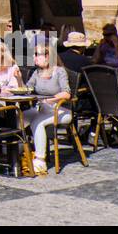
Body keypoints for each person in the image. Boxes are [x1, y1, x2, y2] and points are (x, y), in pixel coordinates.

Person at [24, 43, 72, 175]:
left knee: (37, 123)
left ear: (47, 56)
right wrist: (17, 78)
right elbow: (27, 88)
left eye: (37, 55)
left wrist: (50, 100)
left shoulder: (59, 71)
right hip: (41, 109)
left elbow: (66, 93)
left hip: (60, 110)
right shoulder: (37, 72)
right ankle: (21, 153)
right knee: (19, 119)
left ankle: (40, 161)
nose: (34, 57)